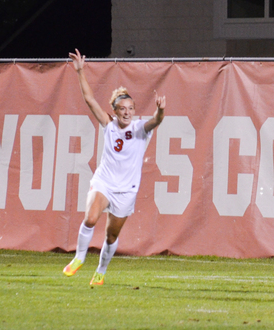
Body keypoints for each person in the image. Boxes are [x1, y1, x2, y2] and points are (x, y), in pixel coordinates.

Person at [62, 49, 165, 286]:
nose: (127, 112)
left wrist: (160, 111)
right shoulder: (109, 125)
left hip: (126, 190)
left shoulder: (139, 129)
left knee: (111, 236)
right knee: (90, 218)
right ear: (115, 111)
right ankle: (78, 258)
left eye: (130, 108)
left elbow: (156, 121)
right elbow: (89, 100)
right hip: (104, 183)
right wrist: (80, 72)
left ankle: (100, 271)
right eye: (122, 109)